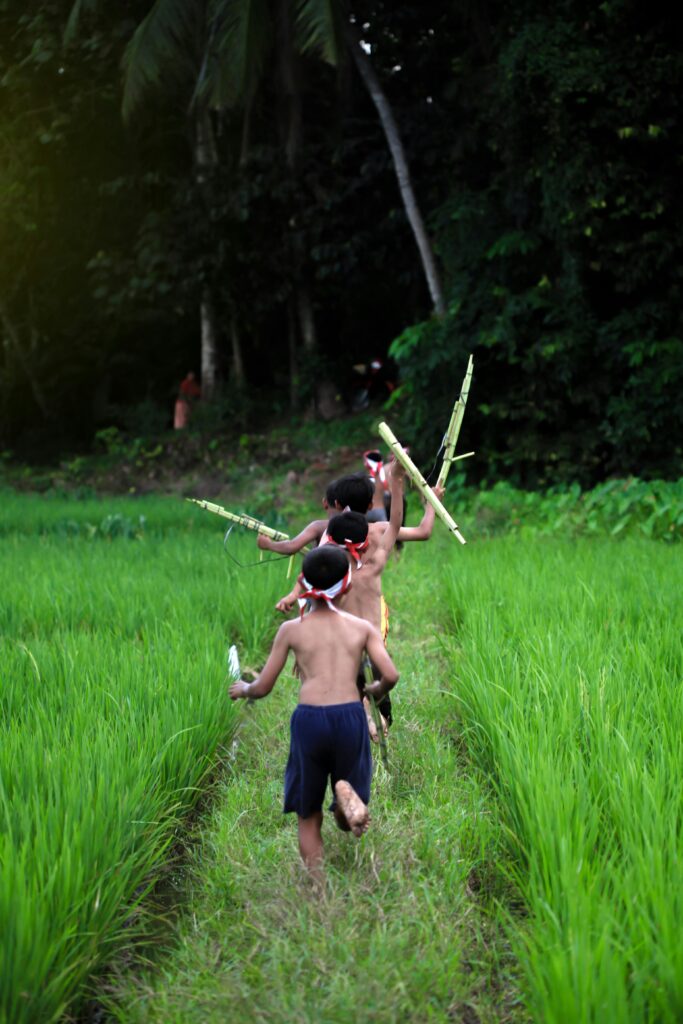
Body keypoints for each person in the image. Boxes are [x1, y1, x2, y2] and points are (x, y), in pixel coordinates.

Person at [229, 545, 399, 882]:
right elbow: (390, 675)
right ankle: (344, 798)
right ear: (347, 585)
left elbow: (262, 687)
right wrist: (375, 691)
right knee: (345, 789)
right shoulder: (361, 628)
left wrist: (243, 689)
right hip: (350, 716)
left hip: (310, 719)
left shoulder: (291, 630)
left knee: (307, 814)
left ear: (303, 583)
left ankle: (317, 892)